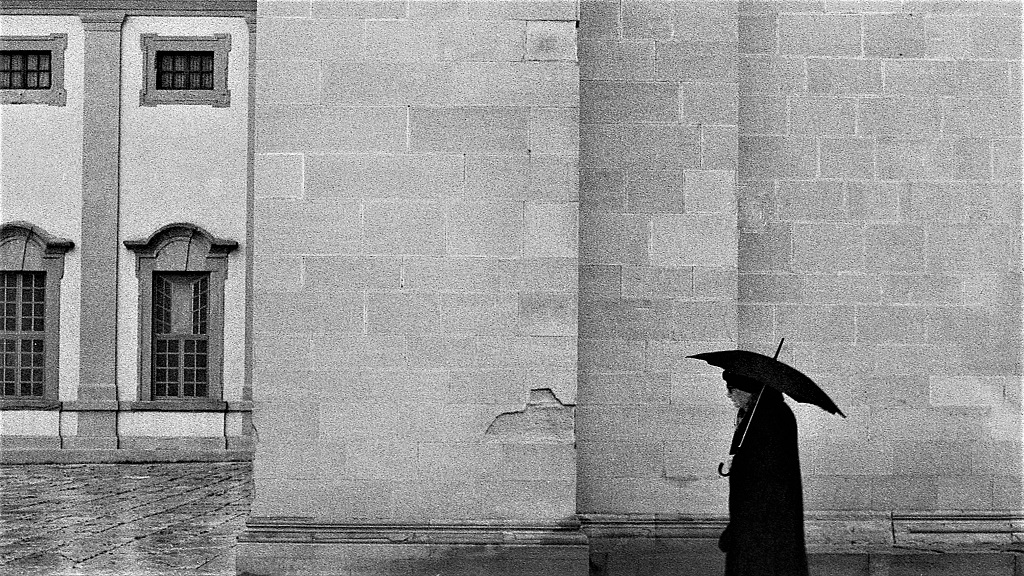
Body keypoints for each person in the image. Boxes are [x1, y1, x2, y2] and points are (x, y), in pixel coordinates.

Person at [718, 371, 808, 576]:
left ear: (747, 390)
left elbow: (762, 473)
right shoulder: (762, 414)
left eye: (731, 389)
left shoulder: (766, 416)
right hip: (762, 518)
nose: (729, 395)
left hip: (762, 520)